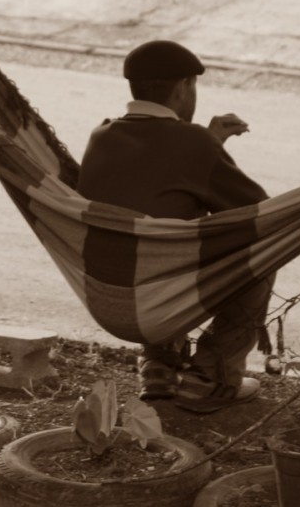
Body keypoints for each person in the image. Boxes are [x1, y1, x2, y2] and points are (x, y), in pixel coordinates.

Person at [76, 40, 271, 414]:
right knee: (257, 254)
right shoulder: (193, 142)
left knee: (158, 231)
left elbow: (151, 177)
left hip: (108, 296)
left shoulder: (101, 136)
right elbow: (257, 212)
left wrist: (205, 141)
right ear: (184, 87)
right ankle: (212, 378)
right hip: (163, 296)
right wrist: (207, 144)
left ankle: (159, 366)